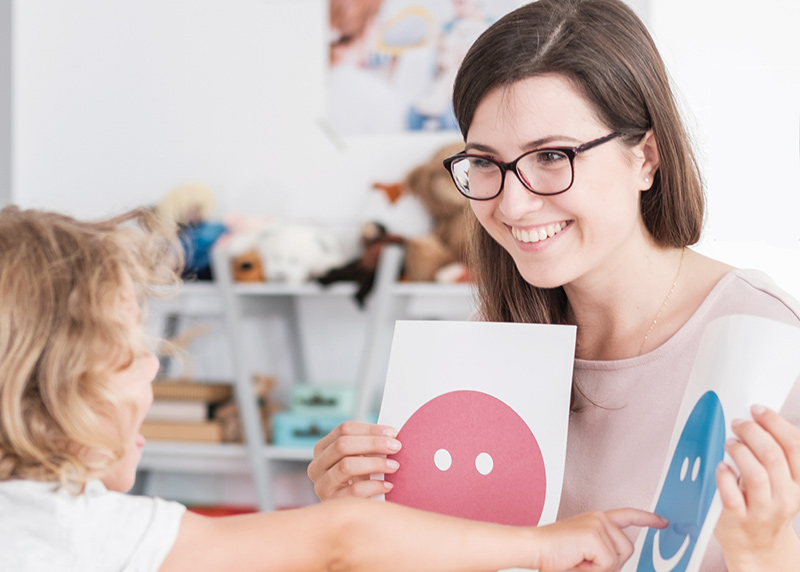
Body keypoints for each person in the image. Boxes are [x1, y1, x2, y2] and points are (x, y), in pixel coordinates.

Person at [306, 0, 800, 570]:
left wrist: (764, 550)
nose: (512, 204)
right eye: (485, 163)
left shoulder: (767, 343)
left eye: (551, 156)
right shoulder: (491, 339)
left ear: (646, 156)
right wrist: (360, 515)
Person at [0, 205, 664, 572]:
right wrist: (541, 546)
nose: (152, 370)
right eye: (129, 356)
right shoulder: (71, 526)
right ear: (50, 389)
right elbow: (341, 538)